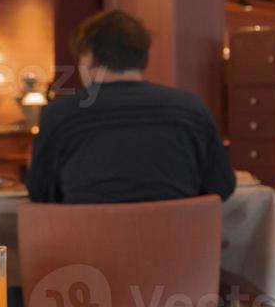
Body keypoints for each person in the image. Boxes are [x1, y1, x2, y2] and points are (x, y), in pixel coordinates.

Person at [27, 10, 236, 204]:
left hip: (86, 242)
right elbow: (222, 187)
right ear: (143, 56)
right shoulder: (191, 108)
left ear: (89, 56)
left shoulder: (61, 114)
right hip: (177, 241)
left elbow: (40, 192)